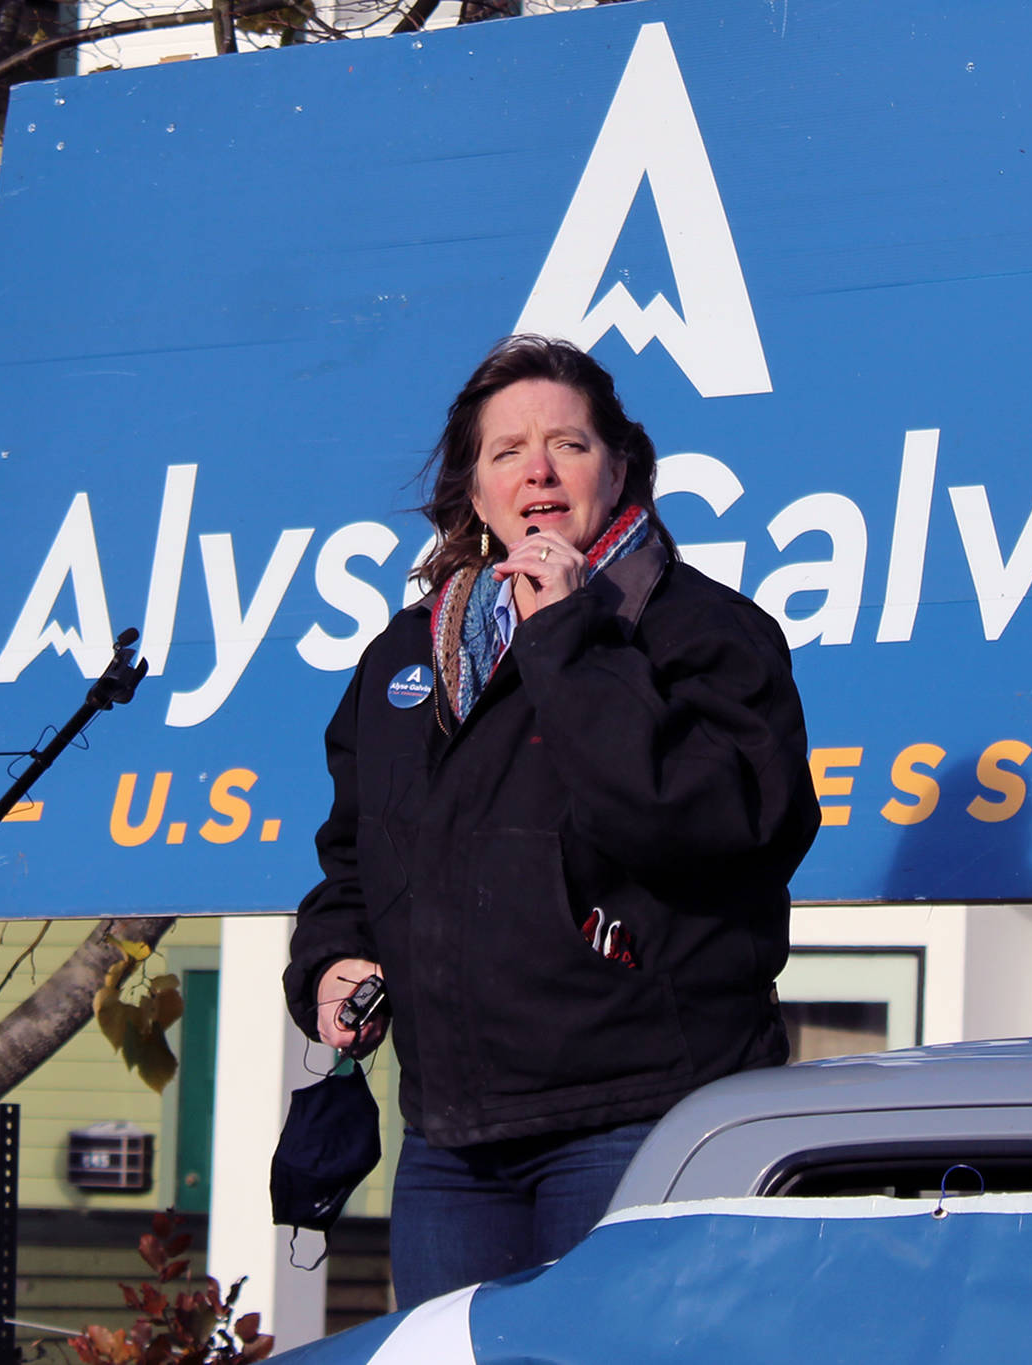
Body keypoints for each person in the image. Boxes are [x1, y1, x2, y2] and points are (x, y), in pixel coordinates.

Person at [283, 335, 822, 1306]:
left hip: (637, 1120)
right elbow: (355, 861)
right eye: (505, 452)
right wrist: (332, 961)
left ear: (619, 468)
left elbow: (700, 826)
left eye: (566, 445)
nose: (536, 470)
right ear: (474, 491)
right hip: (451, 1143)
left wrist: (568, 634)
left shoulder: (704, 633)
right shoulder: (406, 657)